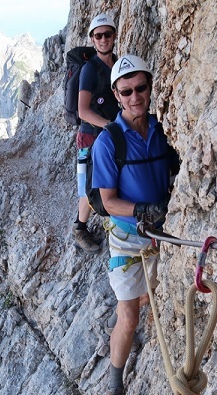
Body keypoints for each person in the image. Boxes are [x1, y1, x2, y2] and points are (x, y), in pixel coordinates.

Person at [91, 55, 180, 395]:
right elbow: (108, 201)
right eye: (126, 91)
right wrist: (144, 210)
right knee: (129, 317)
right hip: (128, 241)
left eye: (140, 88)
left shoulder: (163, 128)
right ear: (116, 94)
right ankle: (113, 388)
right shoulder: (108, 142)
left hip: (159, 236)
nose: (134, 97)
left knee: (144, 300)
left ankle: (123, 330)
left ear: (149, 86)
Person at [72, 13, 121, 253]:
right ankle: (80, 228)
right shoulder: (89, 70)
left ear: (114, 36)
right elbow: (82, 111)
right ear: (92, 39)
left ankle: (114, 214)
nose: (103, 39)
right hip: (92, 134)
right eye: (98, 35)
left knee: (112, 175)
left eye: (107, 34)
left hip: (110, 132)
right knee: (89, 184)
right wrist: (109, 126)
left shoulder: (118, 63)